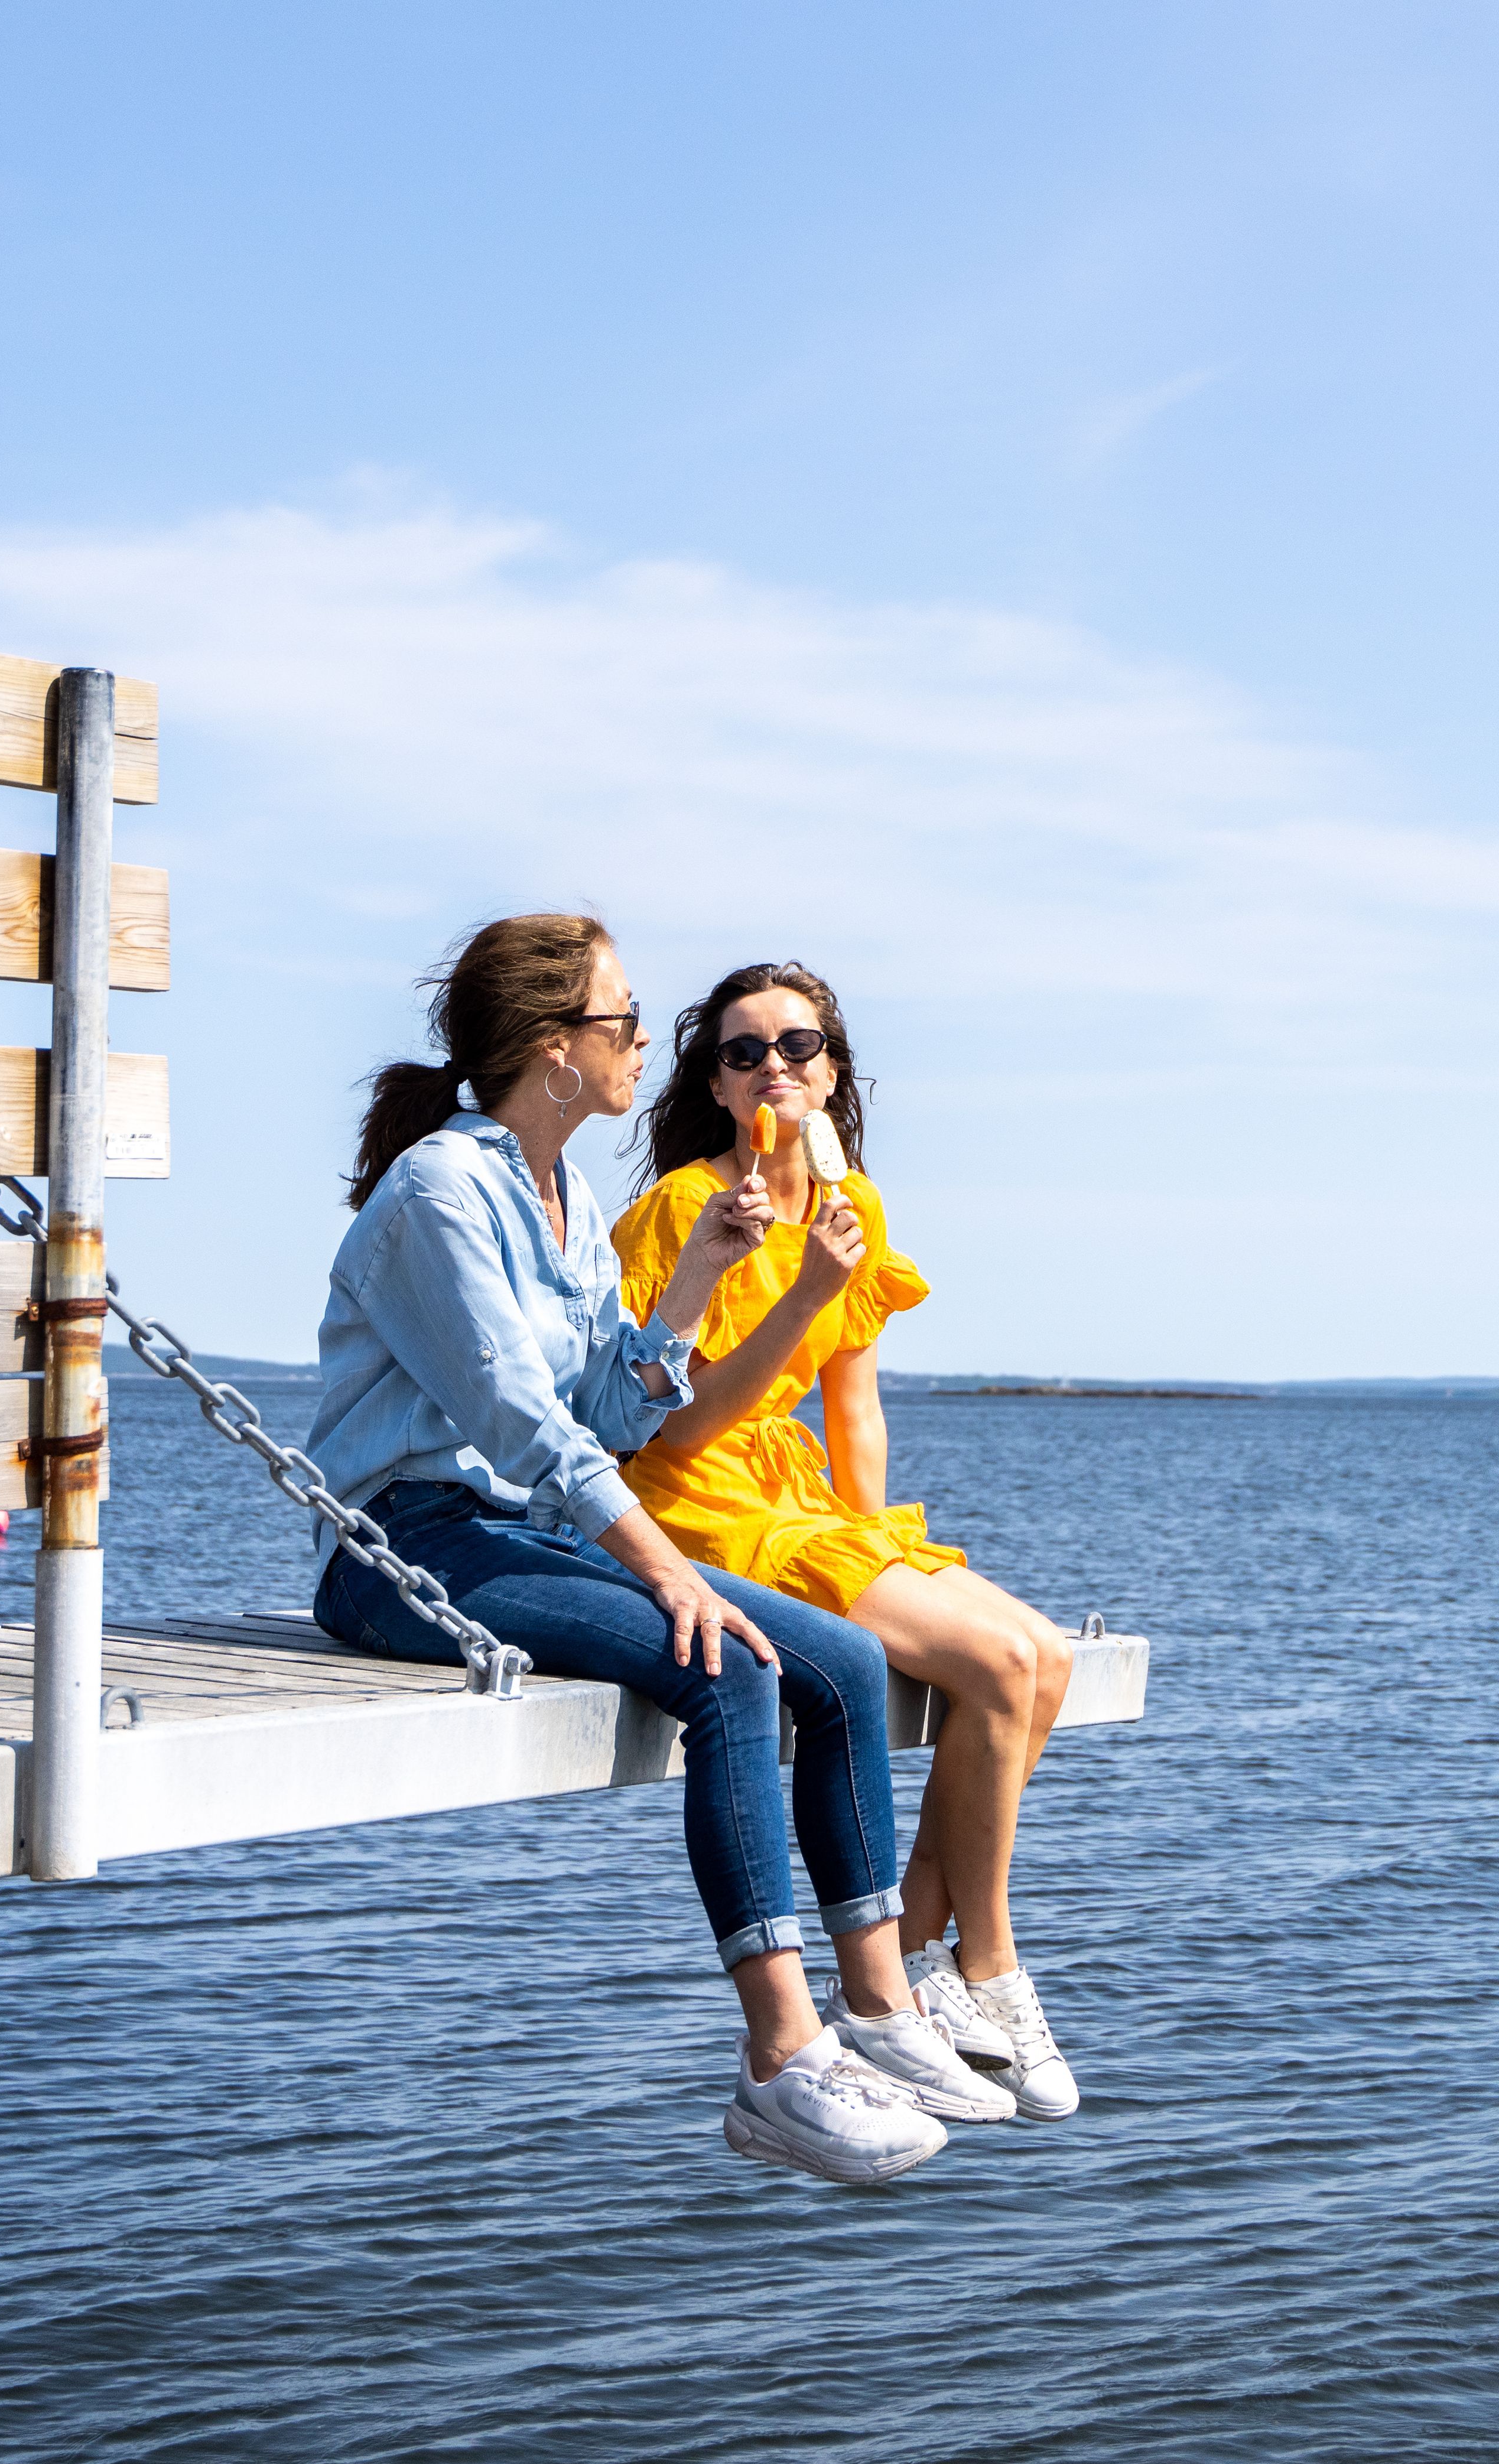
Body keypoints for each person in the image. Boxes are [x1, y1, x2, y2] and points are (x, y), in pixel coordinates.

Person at [306, 914, 1010, 2183]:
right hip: (409, 1549)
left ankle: (880, 2015)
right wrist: (665, 1563)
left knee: (842, 1662)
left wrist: (689, 1281)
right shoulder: (441, 1191)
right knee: (724, 1661)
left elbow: (613, 1414)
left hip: (526, 1533)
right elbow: (520, 1424)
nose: (645, 1041)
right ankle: (779, 2061)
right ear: (553, 1050)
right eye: (622, 1019)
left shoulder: (563, 1196)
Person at [612, 961, 1086, 2118]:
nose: (776, 1067)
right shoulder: (688, 1208)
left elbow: (853, 1402)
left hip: (806, 1505)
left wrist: (874, 1547)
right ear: (717, 1087)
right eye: (744, 1051)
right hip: (699, 1501)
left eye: (799, 1045)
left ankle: (923, 1959)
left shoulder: (852, 1207)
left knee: (1046, 1660)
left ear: (831, 1072)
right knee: (998, 1662)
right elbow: (672, 1415)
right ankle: (982, 1970)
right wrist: (800, 1283)